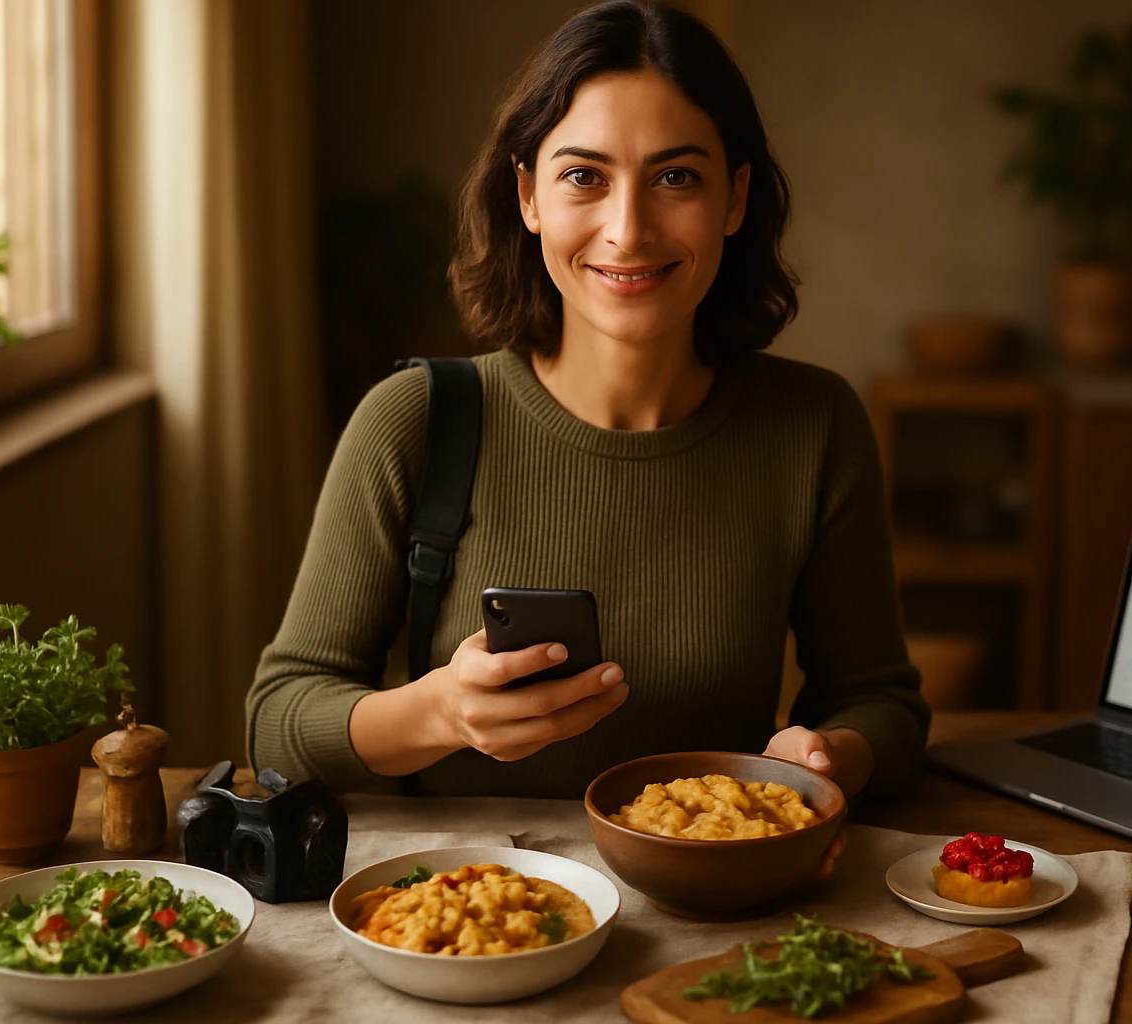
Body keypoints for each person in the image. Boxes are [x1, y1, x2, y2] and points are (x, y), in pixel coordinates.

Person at [246, 1, 927, 868]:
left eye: (676, 177)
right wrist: (440, 713)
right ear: (527, 195)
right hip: (463, 918)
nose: (629, 228)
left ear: (736, 197)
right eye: (584, 177)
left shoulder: (813, 424)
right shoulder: (414, 420)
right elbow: (277, 717)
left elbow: (882, 703)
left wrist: (826, 759)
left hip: (710, 906)